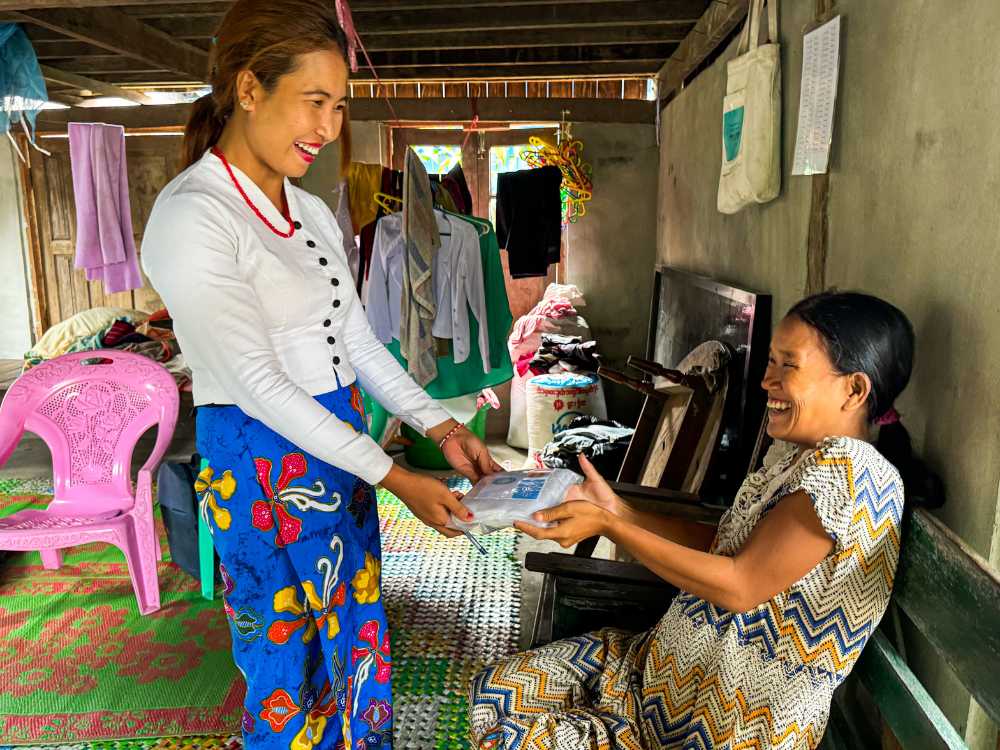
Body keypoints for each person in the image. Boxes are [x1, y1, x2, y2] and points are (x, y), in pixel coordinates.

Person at [141, 1, 499, 747]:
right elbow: (259, 384)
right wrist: (394, 477)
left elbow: (358, 342)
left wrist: (437, 423)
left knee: (355, 643)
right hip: (257, 458)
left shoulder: (306, 211)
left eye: (339, 107)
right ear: (248, 89)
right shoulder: (193, 217)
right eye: (313, 102)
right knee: (285, 668)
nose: (328, 128)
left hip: (336, 446)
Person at [470, 291, 941, 750]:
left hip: (719, 728)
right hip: (653, 682)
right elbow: (725, 544)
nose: (766, 381)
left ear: (854, 389)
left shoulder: (852, 474)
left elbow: (740, 585)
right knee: (497, 693)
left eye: (788, 365)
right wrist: (620, 510)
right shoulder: (800, 459)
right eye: (770, 362)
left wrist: (610, 527)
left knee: (508, 736)